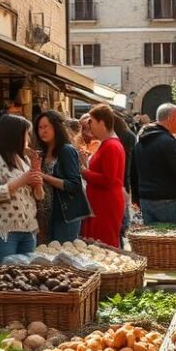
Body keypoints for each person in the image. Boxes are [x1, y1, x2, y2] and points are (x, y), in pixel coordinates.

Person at [0, 114, 42, 261]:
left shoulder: (25, 159)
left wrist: (37, 182)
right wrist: (22, 180)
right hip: (3, 232)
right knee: (5, 278)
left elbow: (39, 196)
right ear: (15, 135)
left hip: (28, 229)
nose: (28, 139)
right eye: (26, 134)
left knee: (27, 279)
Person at [36, 110, 91, 242]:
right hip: (45, 216)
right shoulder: (42, 152)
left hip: (65, 215)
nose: (43, 131)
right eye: (40, 128)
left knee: (62, 257)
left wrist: (44, 177)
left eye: (46, 127)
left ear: (56, 127)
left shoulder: (66, 150)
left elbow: (74, 185)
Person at [80, 104, 126, 246]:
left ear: (101, 122)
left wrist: (83, 172)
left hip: (105, 204)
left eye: (91, 122)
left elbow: (108, 179)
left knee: (104, 245)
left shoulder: (111, 145)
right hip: (101, 202)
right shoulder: (107, 144)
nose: (89, 126)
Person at [113, 113, 137, 241]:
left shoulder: (114, 140)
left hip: (120, 176)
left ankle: (123, 228)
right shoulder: (130, 136)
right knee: (124, 206)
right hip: (125, 176)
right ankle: (124, 228)